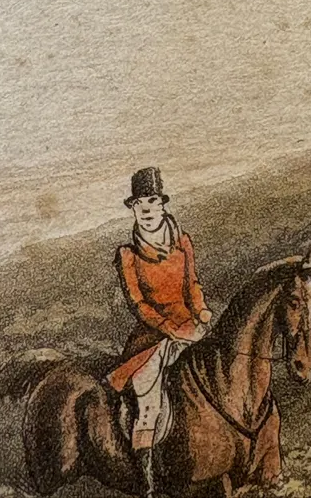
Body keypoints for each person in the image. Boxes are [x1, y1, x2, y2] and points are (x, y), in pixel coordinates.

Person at [107, 167, 212, 498]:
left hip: (190, 327)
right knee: (148, 401)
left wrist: (202, 310)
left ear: (163, 204)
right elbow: (138, 304)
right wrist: (167, 329)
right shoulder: (127, 255)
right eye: (140, 204)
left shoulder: (183, 242)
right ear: (133, 209)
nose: (147, 209)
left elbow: (192, 284)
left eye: (152, 201)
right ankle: (147, 481)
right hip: (151, 338)